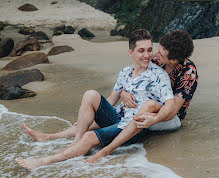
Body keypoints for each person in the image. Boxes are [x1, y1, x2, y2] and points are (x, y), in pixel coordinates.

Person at [16, 29, 176, 170]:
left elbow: (170, 103)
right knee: (90, 94)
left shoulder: (158, 76)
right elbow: (111, 99)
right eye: (141, 51)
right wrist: (89, 114)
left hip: (133, 128)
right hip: (118, 116)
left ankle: (43, 162)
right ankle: (75, 144)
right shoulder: (125, 72)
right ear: (131, 52)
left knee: (89, 136)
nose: (147, 55)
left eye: (149, 50)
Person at [85, 29, 198, 163]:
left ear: (173, 60)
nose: (155, 55)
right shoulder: (158, 59)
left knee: (139, 113)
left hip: (169, 118)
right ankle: (76, 134)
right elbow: (134, 78)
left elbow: (172, 111)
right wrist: (123, 93)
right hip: (148, 106)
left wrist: (154, 120)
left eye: (160, 54)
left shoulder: (188, 72)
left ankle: (106, 149)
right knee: (118, 115)